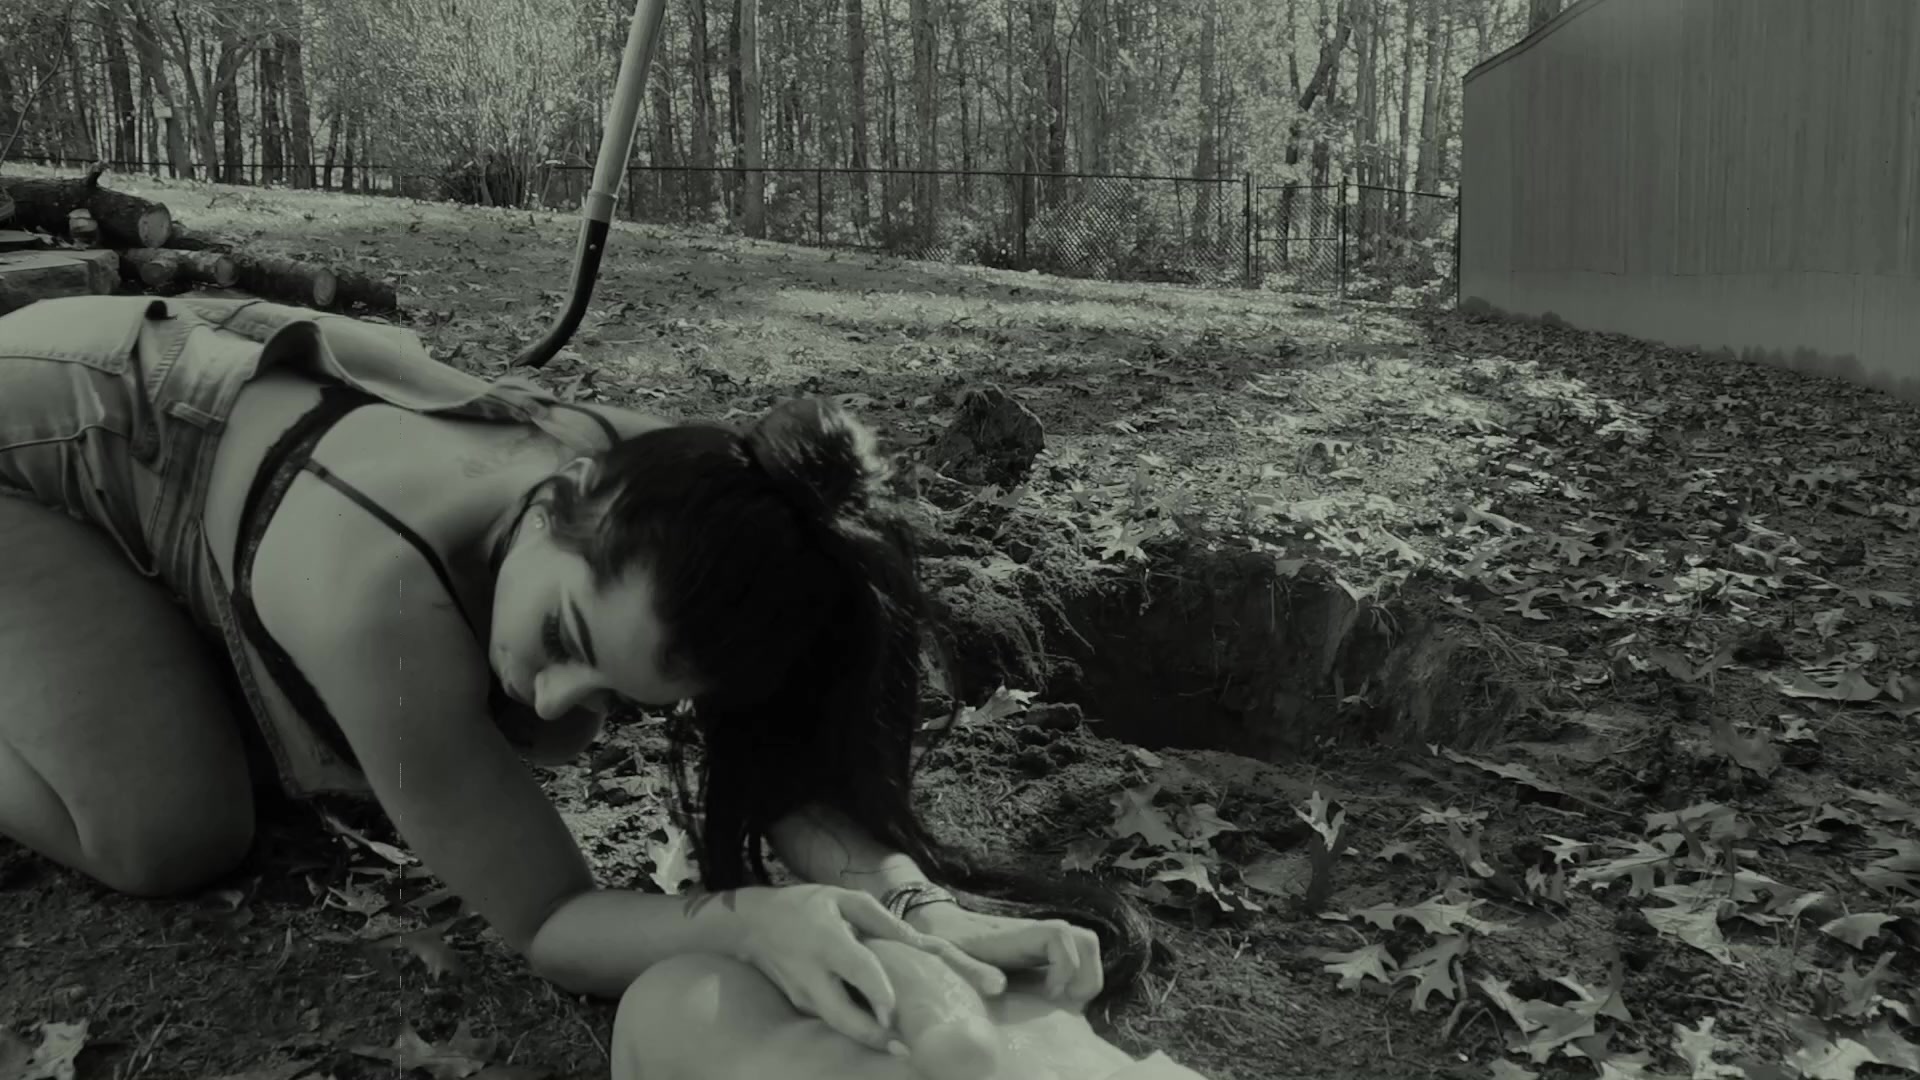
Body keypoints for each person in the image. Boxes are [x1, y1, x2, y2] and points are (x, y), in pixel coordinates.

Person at [0, 295, 1163, 1059]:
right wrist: (753, 921)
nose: (556, 708)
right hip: (49, 437)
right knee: (168, 834)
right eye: (561, 635)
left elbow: (779, 746)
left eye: (612, 697)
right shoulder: (380, 602)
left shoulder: (697, 503)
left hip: (232, 431)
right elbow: (550, 919)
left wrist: (922, 910)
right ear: (558, 500)